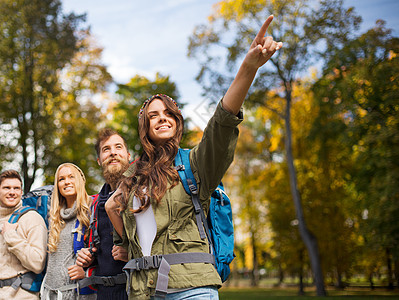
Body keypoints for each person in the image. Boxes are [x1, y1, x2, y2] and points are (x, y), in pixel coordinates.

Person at [105, 15, 282, 299]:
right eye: (153, 116)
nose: (162, 119)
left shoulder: (195, 164)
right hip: (142, 291)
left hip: (191, 289)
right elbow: (124, 236)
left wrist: (248, 69)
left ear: (177, 121)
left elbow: (220, 126)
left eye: (168, 114)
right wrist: (114, 213)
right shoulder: (132, 177)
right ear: (145, 129)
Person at [0, 169, 48, 299]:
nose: (12, 192)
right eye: (7, 188)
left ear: (21, 192)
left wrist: (11, 236)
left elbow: (37, 264)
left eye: (16, 188)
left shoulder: (32, 218)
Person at [75, 129, 131, 299]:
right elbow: (100, 250)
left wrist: (132, 253)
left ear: (128, 155)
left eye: (118, 147)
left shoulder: (142, 195)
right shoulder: (95, 205)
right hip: (103, 293)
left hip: (137, 291)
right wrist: (89, 257)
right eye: (106, 149)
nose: (113, 152)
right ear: (99, 161)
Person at [41, 163, 96, 300]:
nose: (67, 182)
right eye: (61, 179)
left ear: (80, 180)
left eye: (71, 177)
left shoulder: (92, 211)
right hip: (51, 293)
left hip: (78, 293)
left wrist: (87, 272)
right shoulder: (54, 217)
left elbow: (104, 254)